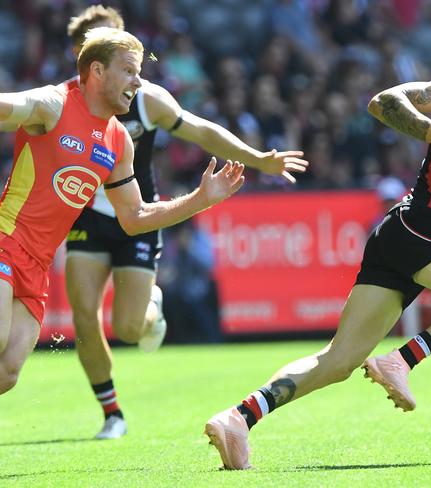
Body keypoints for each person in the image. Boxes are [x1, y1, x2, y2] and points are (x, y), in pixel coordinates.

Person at [203, 16, 431, 470]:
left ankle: (238, 418)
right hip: (420, 223)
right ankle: (402, 359)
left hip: (415, 237)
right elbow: (384, 101)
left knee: (338, 360)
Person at [63, 6, 307, 440]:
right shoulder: (65, 100)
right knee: (84, 319)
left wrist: (257, 158)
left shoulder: (147, 98)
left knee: (128, 329)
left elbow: (200, 130)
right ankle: (112, 413)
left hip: (137, 214)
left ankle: (150, 306)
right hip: (86, 216)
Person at [0, 28, 246, 410]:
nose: (138, 81)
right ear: (97, 71)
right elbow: (7, 106)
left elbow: (134, 217)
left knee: (9, 371)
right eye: (130, 71)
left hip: (37, 265)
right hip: (5, 240)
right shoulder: (53, 104)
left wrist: (201, 199)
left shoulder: (118, 141)